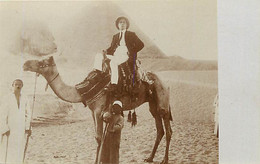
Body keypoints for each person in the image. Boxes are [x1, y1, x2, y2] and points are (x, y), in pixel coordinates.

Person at [94, 16, 144, 91]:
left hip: (125, 55)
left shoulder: (131, 34)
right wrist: (105, 52)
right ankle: (98, 74)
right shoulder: (115, 36)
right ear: (117, 25)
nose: (122, 24)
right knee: (98, 55)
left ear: (127, 25)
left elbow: (141, 45)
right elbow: (111, 48)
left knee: (113, 62)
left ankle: (114, 83)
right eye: (120, 22)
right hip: (116, 55)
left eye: (124, 22)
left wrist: (131, 51)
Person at [0, 79, 32, 163]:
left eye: (20, 85)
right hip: (10, 128)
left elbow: (28, 113)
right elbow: (2, 114)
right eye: (16, 84)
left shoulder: (25, 98)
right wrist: (5, 128)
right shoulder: (7, 98)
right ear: (12, 85)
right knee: (8, 149)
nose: (18, 86)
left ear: (22, 86)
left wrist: (28, 127)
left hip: (21, 128)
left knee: (19, 148)